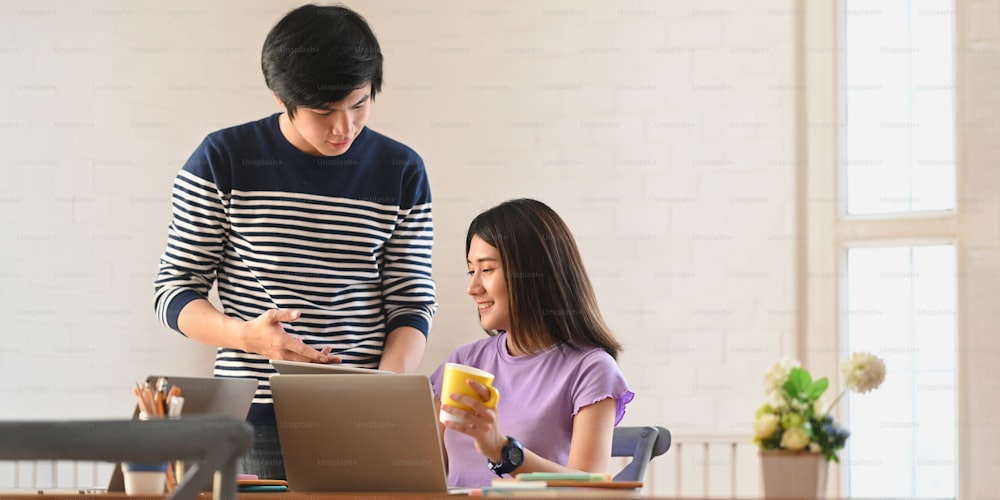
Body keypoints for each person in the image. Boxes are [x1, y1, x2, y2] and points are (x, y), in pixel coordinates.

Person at [152, 4, 436, 479]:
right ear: (281, 95)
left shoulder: (402, 170)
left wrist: (384, 390)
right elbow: (174, 290)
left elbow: (411, 301)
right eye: (325, 112)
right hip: (253, 417)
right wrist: (249, 337)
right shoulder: (223, 159)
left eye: (359, 104)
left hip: (365, 415)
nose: (345, 127)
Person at [430, 199, 633, 488]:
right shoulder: (463, 362)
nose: (472, 288)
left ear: (532, 273)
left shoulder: (591, 369)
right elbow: (424, 472)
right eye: (470, 270)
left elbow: (593, 489)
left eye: (486, 270)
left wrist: (503, 451)